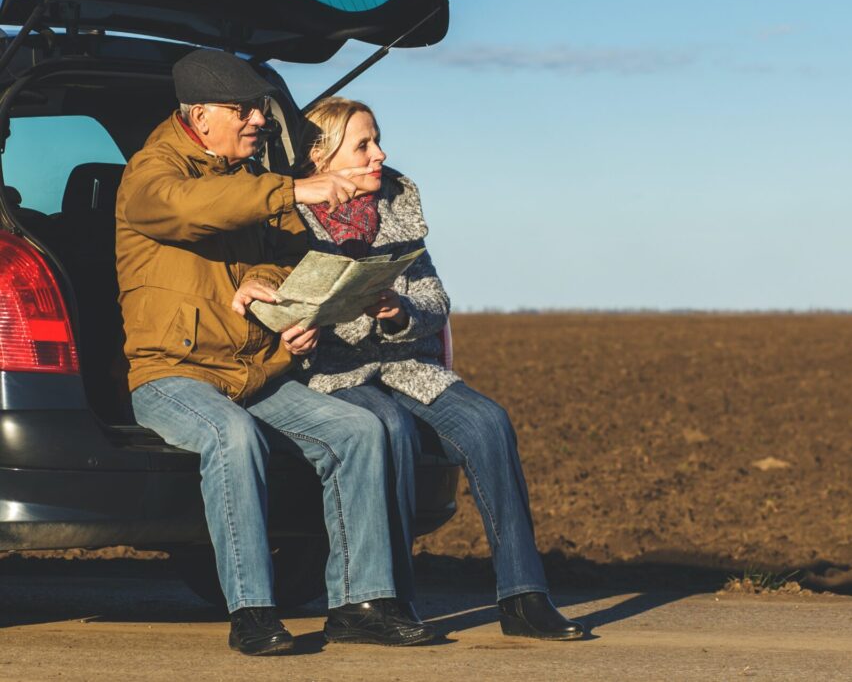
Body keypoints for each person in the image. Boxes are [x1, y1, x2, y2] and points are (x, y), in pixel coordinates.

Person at [115, 50, 434, 655]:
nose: (258, 121)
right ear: (201, 115)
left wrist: (280, 296)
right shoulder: (150, 174)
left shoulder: (249, 176)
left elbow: (284, 252)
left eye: (261, 109)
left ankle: (360, 602)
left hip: (255, 371)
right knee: (233, 435)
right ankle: (253, 612)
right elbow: (192, 207)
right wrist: (295, 188)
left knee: (359, 430)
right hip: (172, 374)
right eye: (244, 111)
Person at [295, 97, 584, 641]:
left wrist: (399, 311)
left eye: (377, 139)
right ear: (321, 156)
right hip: (337, 375)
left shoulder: (398, 206)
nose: (379, 153)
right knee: (390, 432)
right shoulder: (291, 218)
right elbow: (293, 313)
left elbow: (435, 298)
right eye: (363, 144)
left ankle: (524, 597)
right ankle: (393, 601)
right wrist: (352, 314)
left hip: (408, 365)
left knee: (489, 423)